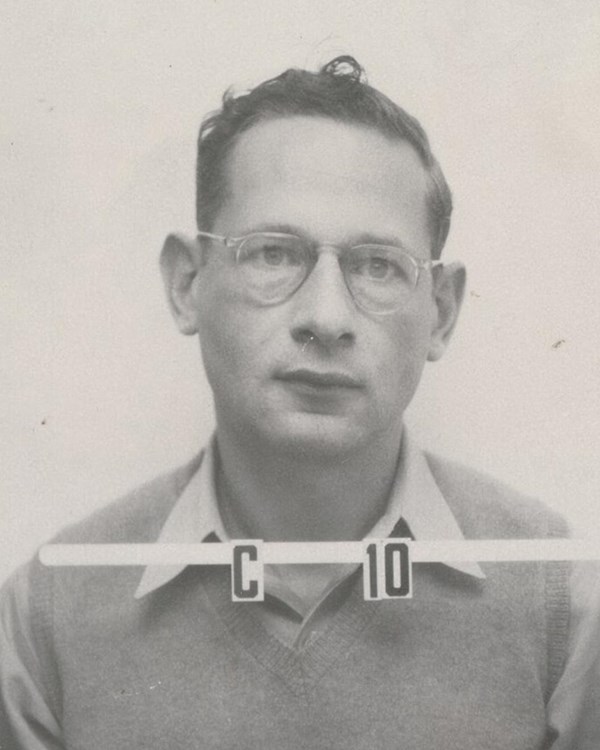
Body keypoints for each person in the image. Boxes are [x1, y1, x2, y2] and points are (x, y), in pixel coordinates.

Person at [1, 55, 598, 749]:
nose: (326, 316)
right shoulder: (46, 619)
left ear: (441, 311)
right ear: (186, 283)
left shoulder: (565, 608)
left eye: (377, 265)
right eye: (274, 254)